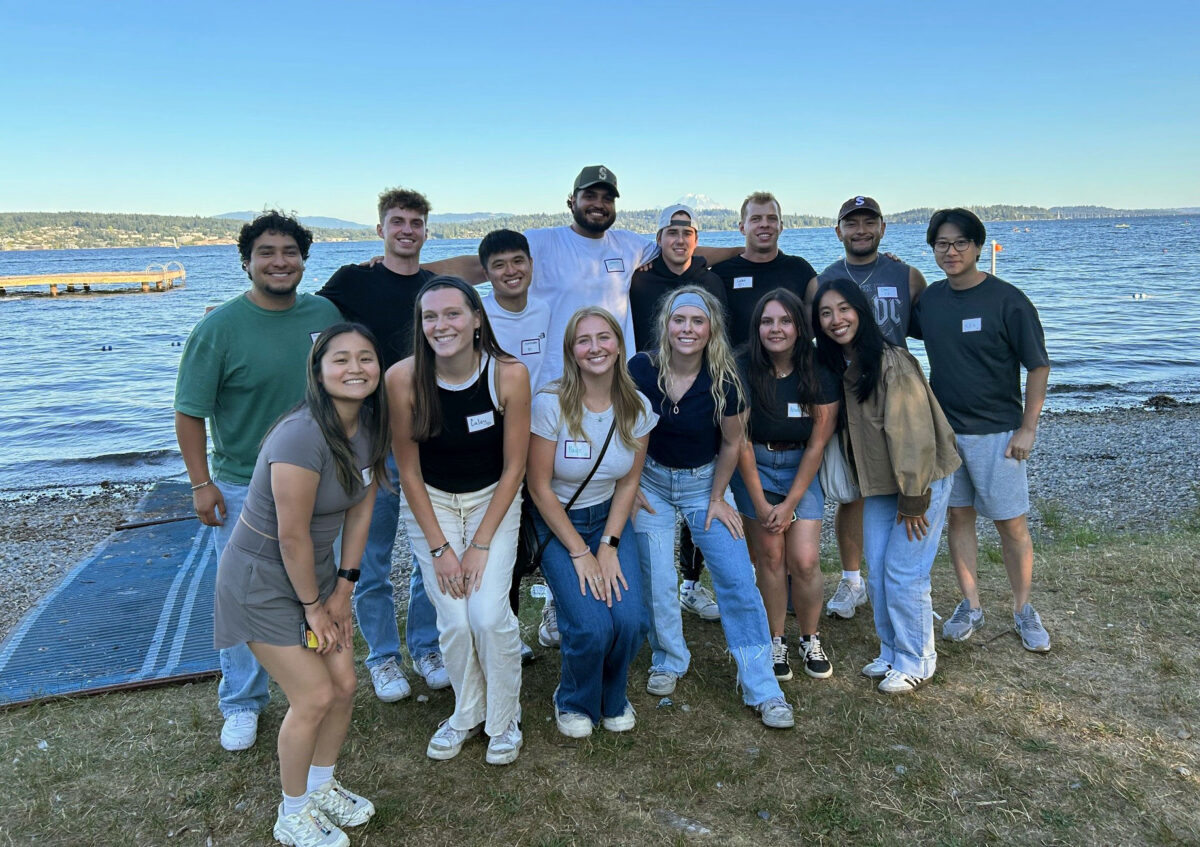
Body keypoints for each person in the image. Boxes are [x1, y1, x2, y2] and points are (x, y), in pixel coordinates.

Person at [212, 323, 390, 846]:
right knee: (312, 695)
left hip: (315, 576)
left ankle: (320, 786)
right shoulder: (301, 434)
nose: (355, 368)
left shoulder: (370, 427)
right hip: (261, 580)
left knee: (344, 686)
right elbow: (290, 537)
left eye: (365, 358)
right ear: (317, 370)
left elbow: (362, 509)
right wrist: (315, 606)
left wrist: (343, 588)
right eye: (340, 359)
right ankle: (292, 815)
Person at [175, 211, 341, 752]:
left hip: (322, 481)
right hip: (246, 485)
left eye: (289, 252)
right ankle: (242, 702)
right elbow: (188, 411)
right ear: (246, 261)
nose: (279, 261)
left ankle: (310, 690)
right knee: (247, 598)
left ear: (303, 260)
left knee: (313, 589)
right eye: (266, 252)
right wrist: (202, 484)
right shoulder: (218, 328)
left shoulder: (324, 313)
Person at [629, 286, 794, 729]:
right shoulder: (640, 369)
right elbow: (623, 428)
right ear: (666, 324)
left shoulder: (725, 378)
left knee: (738, 580)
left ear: (711, 329)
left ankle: (761, 685)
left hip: (705, 484)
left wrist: (719, 498)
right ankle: (668, 658)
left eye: (697, 321)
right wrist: (630, 487)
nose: (687, 329)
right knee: (658, 579)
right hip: (652, 484)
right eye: (678, 320)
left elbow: (733, 441)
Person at [387, 276, 530, 764]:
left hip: (495, 498)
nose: (441, 325)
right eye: (430, 316)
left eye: (452, 313)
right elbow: (407, 469)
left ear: (476, 319)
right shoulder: (402, 378)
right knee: (453, 616)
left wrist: (481, 543)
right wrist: (440, 549)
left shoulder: (508, 374)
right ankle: (467, 713)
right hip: (432, 502)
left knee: (488, 614)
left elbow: (515, 467)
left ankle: (504, 718)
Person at [318, 188, 448, 702]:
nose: (407, 230)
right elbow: (306, 322)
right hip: (368, 442)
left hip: (426, 436)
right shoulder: (354, 280)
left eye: (416, 222)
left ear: (424, 231)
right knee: (368, 556)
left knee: (428, 550)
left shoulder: (436, 288)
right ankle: (383, 658)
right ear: (380, 230)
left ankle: (426, 646)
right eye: (397, 222)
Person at [912, 208, 1052, 652]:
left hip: (998, 434)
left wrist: (1028, 428)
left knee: (1012, 525)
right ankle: (970, 604)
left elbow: (1038, 366)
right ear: (933, 250)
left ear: (976, 245)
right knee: (958, 517)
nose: (951, 252)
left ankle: (1023, 609)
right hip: (947, 434)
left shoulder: (1008, 300)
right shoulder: (931, 301)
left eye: (960, 243)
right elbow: (898, 318)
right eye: (941, 244)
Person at [813, 279, 961, 694]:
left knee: (904, 573)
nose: (836, 320)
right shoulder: (839, 365)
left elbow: (911, 434)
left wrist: (914, 499)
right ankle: (892, 650)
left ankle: (919, 659)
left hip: (921, 481)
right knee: (877, 571)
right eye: (826, 313)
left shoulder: (890, 362)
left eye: (844, 309)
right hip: (879, 484)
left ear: (861, 310)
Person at [526, 306, 655, 738]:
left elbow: (628, 482)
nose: (595, 347)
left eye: (604, 337)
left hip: (608, 520)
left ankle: (612, 696)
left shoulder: (637, 407)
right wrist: (581, 553)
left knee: (632, 619)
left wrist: (608, 546)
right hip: (557, 522)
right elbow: (539, 487)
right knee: (590, 623)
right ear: (571, 351)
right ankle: (574, 698)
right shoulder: (549, 404)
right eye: (584, 340)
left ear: (619, 345)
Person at [807, 196, 928, 622]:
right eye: (851, 224)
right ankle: (853, 579)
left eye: (868, 222)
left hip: (894, 393)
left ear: (882, 228)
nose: (860, 230)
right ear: (838, 231)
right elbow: (811, 340)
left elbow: (929, 333)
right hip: (846, 396)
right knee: (853, 492)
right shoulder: (824, 279)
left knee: (902, 482)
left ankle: (905, 586)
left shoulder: (908, 275)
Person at [628, 204, 729, 624]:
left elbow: (723, 336)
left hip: (701, 393)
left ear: (696, 237)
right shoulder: (640, 280)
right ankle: (651, 592)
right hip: (649, 390)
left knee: (698, 492)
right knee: (652, 506)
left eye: (687, 232)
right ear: (659, 238)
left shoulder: (710, 280)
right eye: (672, 231)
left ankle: (691, 582)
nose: (680, 238)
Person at [732, 289, 840, 680]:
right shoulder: (742, 364)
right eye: (766, 321)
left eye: (784, 320)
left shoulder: (818, 367)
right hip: (754, 466)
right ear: (757, 326)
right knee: (771, 557)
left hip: (801, 467)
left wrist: (791, 501)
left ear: (799, 326)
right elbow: (739, 439)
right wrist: (761, 505)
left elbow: (818, 442)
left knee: (806, 560)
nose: (775, 329)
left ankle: (809, 637)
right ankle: (775, 640)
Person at [476, 229, 551, 662]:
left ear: (530, 264)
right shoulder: (477, 316)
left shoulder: (546, 310)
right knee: (502, 543)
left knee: (539, 540)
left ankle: (552, 614)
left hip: (542, 438)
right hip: (493, 443)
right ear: (485, 273)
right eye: (500, 265)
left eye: (518, 261)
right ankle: (502, 633)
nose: (511, 271)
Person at [711, 192, 818, 348]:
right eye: (756, 219)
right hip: (738, 367)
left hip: (790, 367)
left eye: (772, 218)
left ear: (781, 226)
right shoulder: (722, 272)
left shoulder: (800, 269)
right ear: (742, 227)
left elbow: (815, 324)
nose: (764, 224)